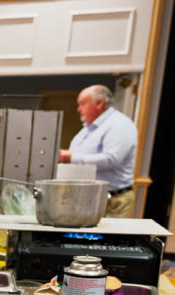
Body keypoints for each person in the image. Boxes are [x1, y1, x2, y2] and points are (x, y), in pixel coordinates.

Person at [58, 84, 137, 217]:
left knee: (107, 238)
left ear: (99, 103)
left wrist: (70, 158)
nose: (78, 109)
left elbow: (112, 159)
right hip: (86, 198)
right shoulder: (88, 128)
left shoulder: (118, 124)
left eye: (83, 104)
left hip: (112, 201)